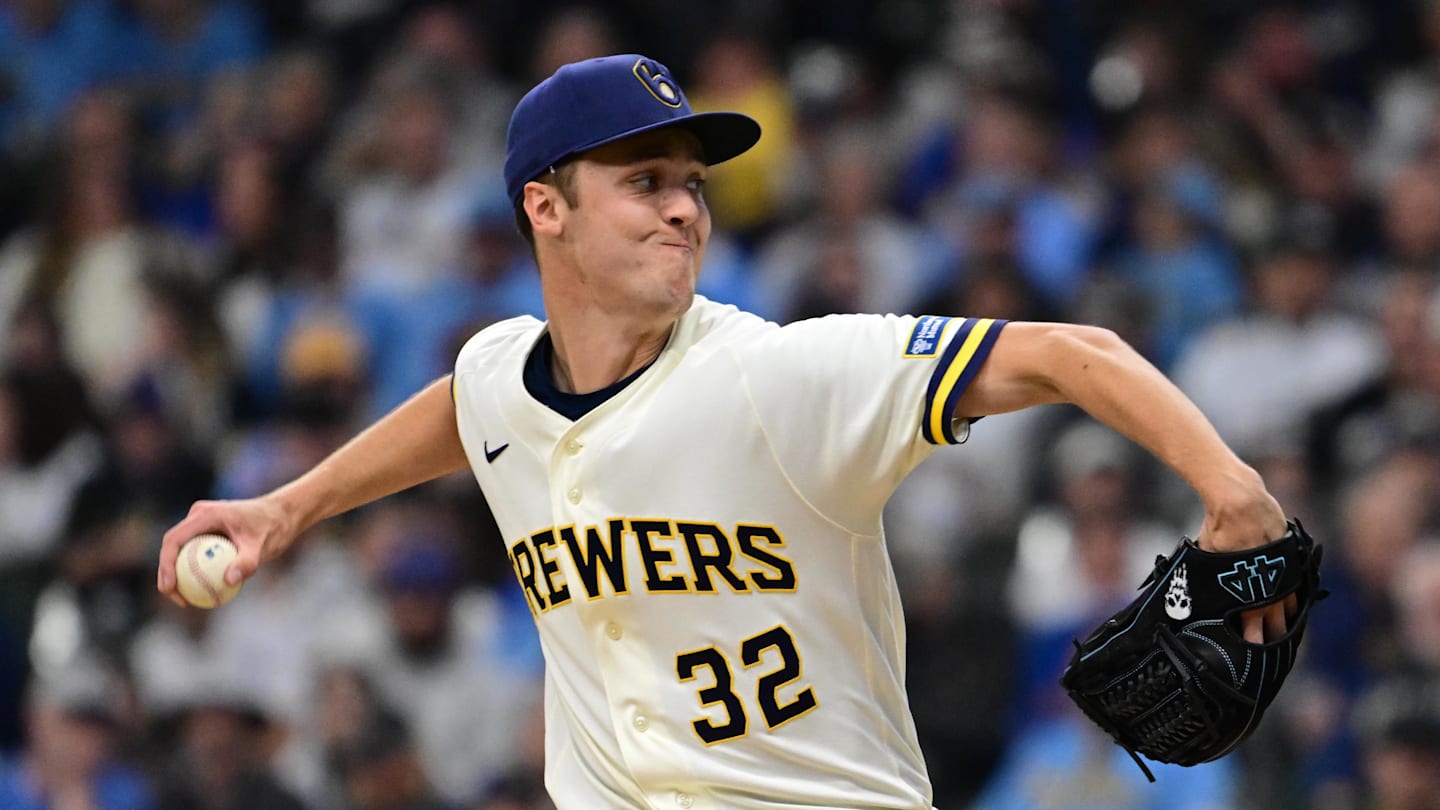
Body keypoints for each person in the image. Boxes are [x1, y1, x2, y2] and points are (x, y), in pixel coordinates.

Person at [157, 53, 1298, 809]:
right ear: (542, 209)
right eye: (644, 179)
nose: (684, 207)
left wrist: (1233, 493)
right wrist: (286, 507)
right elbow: (467, 407)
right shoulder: (503, 374)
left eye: (693, 185)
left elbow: (1071, 353)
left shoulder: (778, 376)